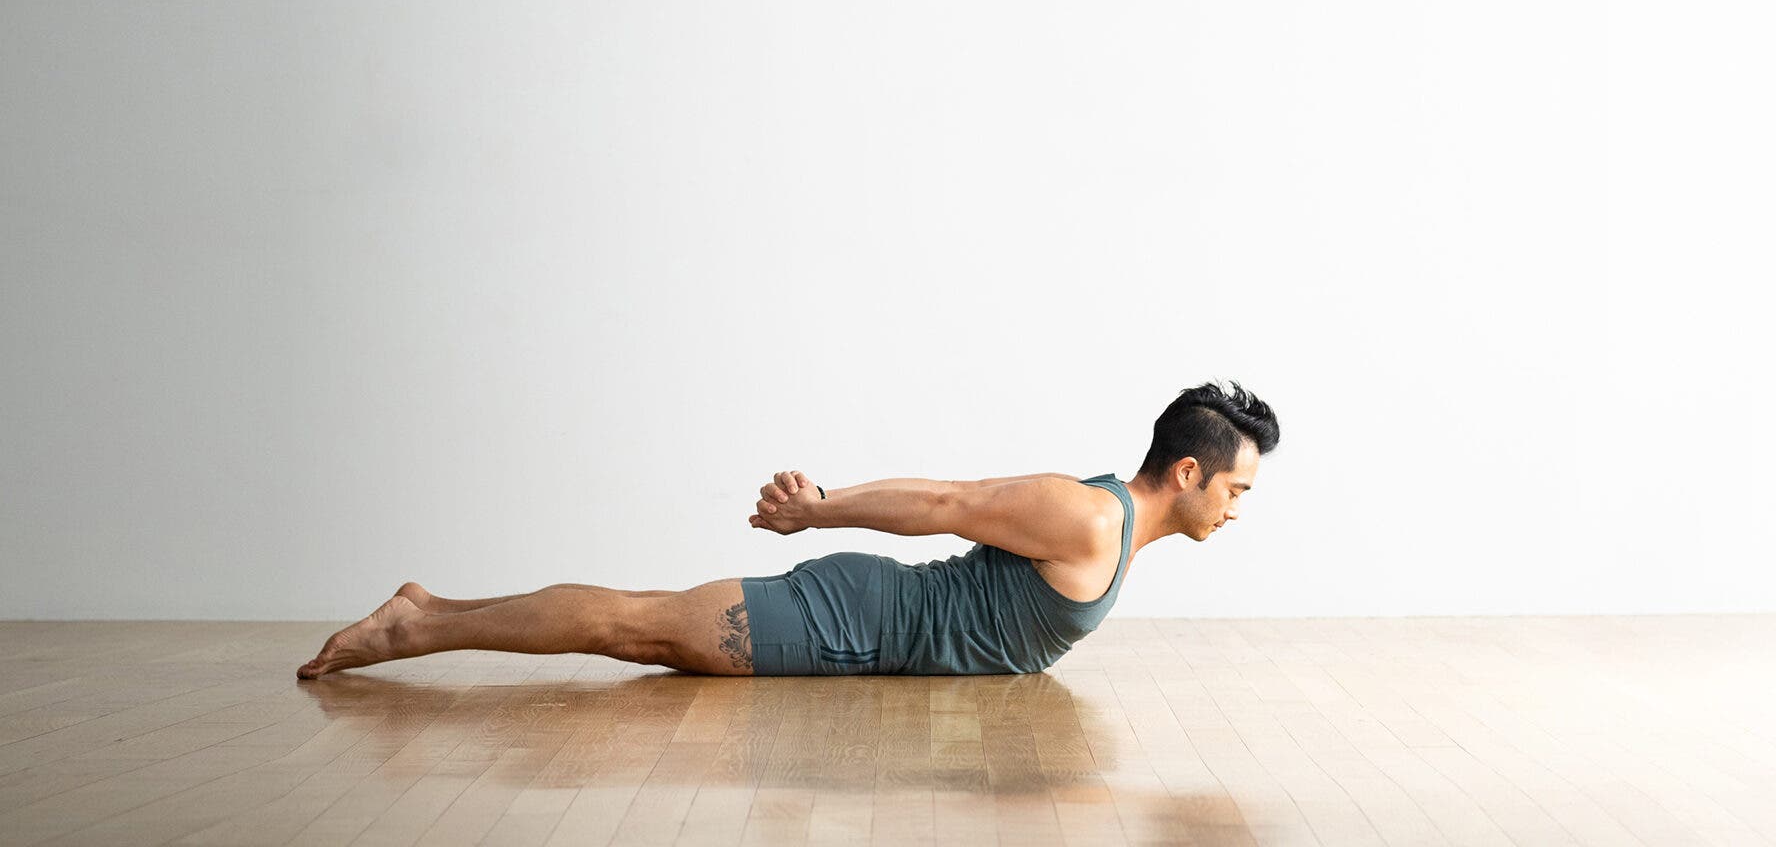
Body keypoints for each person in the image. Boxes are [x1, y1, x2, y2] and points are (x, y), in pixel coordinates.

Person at [296, 379, 1279, 679]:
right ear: (1187, 472)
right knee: (636, 628)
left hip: (870, 636)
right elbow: (948, 503)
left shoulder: (1115, 531)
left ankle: (429, 612)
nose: (1239, 507)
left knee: (643, 624)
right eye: (1236, 487)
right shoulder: (1090, 515)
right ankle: (416, 626)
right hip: (854, 621)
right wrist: (819, 507)